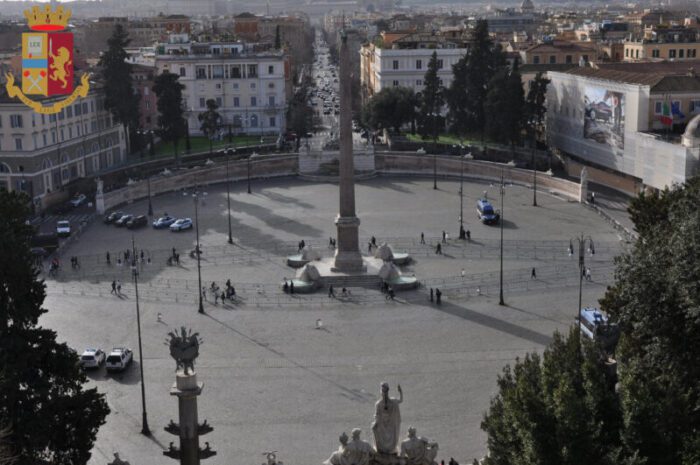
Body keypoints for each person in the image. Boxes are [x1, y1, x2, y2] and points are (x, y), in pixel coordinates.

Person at [372, 383, 403, 454]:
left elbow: (377, 416)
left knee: (374, 428)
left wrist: (375, 423)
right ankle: (386, 448)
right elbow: (400, 400)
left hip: (385, 425)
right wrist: (400, 392)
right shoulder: (391, 402)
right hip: (389, 425)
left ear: (381, 392)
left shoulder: (378, 403)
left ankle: (381, 449)